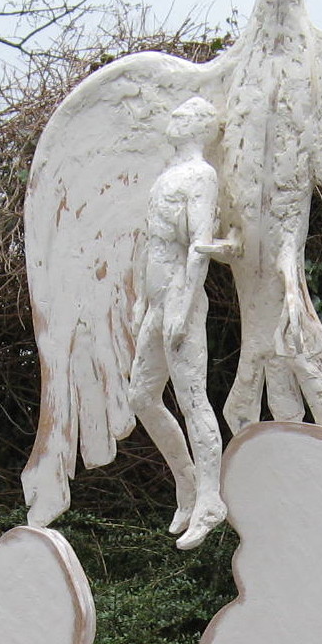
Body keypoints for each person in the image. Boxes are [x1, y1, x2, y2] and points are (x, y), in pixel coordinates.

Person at [128, 97, 237, 550]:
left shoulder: (201, 176)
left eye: (183, 115)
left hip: (180, 302)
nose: (172, 119)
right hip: (156, 302)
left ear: (199, 126)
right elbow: (148, 243)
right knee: (141, 396)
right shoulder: (166, 177)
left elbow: (199, 246)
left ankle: (210, 499)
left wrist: (181, 305)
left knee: (193, 398)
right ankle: (187, 484)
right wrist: (142, 299)